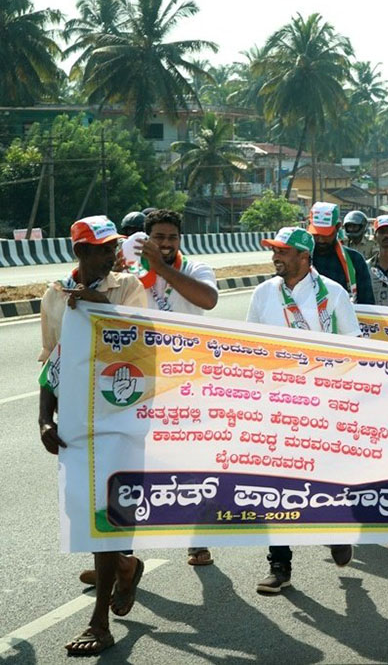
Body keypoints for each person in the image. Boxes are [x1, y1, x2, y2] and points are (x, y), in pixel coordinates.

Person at [37, 217, 147, 655]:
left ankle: (99, 622)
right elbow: (52, 361)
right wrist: (45, 419)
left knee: (109, 512)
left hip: (122, 418)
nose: (109, 255)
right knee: (82, 510)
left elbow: (143, 343)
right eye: (99, 249)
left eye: (112, 248)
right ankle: (124, 566)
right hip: (77, 421)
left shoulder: (128, 288)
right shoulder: (55, 295)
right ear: (80, 252)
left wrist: (102, 308)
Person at [247, 226, 360, 593]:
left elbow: (354, 350)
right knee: (276, 486)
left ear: (303, 256)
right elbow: (249, 345)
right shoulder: (264, 293)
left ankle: (336, 527)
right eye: (274, 251)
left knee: (324, 477)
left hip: (323, 405)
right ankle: (279, 565)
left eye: (282, 251)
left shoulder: (334, 293)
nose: (275, 257)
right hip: (277, 405)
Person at [136, 208, 220, 566]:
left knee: (191, 461)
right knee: (136, 463)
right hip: (144, 378)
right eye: (159, 237)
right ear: (147, 239)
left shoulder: (196, 268)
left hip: (188, 380)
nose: (166, 243)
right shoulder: (131, 271)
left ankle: (197, 539)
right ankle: (120, 555)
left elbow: (208, 300)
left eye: (172, 237)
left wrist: (161, 268)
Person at [307, 202, 375, 305]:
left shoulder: (355, 261)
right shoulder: (299, 258)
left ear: (338, 227)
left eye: (326, 234)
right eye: (316, 234)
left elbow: (367, 305)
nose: (321, 240)